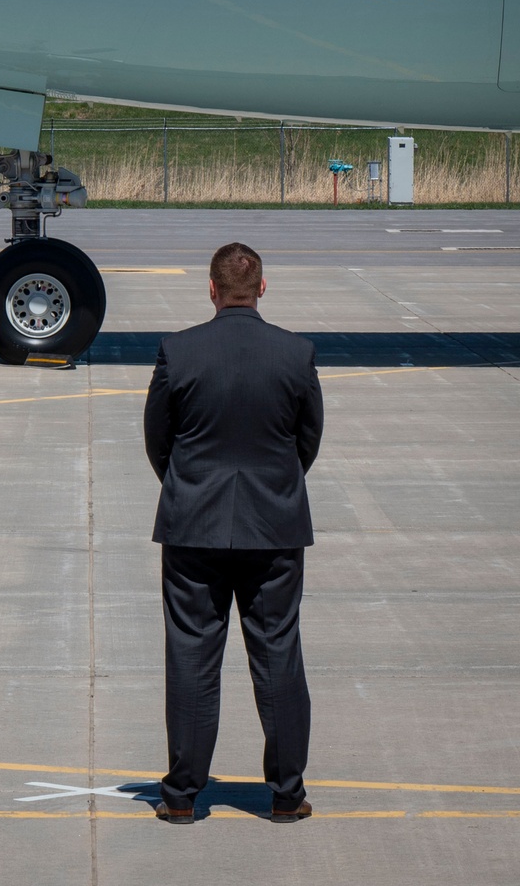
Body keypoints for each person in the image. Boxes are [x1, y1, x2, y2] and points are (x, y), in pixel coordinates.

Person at [144, 242, 323, 825]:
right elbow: (307, 441)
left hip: (194, 526)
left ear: (212, 290)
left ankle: (181, 796)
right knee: (277, 656)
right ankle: (287, 793)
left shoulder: (179, 351)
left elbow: (158, 441)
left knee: (193, 656)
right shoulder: (296, 354)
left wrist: (189, 487)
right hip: (274, 528)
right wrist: (275, 488)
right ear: (263, 289)